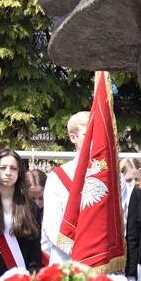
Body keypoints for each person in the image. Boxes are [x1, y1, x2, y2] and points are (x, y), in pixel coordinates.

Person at [0, 149, 42, 281]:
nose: (8, 172)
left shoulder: (30, 207)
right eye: (2, 168)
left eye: (13, 168)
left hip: (19, 277)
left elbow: (34, 252)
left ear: (19, 172)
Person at [41, 111, 89, 264]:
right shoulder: (58, 177)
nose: (93, 139)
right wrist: (77, 249)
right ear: (73, 138)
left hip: (101, 260)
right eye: (87, 134)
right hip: (67, 260)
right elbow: (51, 225)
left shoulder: (114, 177)